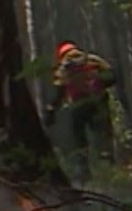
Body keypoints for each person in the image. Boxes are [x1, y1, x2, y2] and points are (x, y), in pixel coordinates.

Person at [42, 40, 117, 182]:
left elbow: (59, 92)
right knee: (104, 135)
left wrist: (50, 111)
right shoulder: (93, 59)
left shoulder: (64, 67)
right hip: (99, 102)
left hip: (78, 106)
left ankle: (83, 172)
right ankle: (109, 169)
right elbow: (112, 77)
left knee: (80, 140)